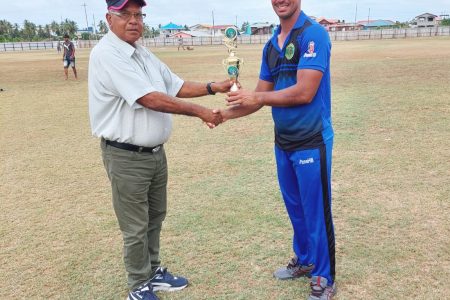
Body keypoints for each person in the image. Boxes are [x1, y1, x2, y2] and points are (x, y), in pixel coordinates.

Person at [88, 1, 233, 299]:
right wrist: (201, 112)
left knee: (155, 216)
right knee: (135, 225)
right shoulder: (107, 54)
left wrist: (213, 86)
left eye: (138, 15)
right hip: (126, 156)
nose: (133, 21)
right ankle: (138, 284)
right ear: (108, 19)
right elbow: (150, 98)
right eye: (125, 15)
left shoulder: (141, 53)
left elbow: (174, 85)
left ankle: (153, 271)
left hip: (154, 154)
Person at [220, 0, 336, 299]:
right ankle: (306, 259)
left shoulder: (314, 35)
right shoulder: (271, 44)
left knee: (315, 212)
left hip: (311, 140)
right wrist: (221, 116)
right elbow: (259, 96)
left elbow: (304, 91)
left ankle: (324, 276)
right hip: (282, 142)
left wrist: (253, 97)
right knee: (296, 209)